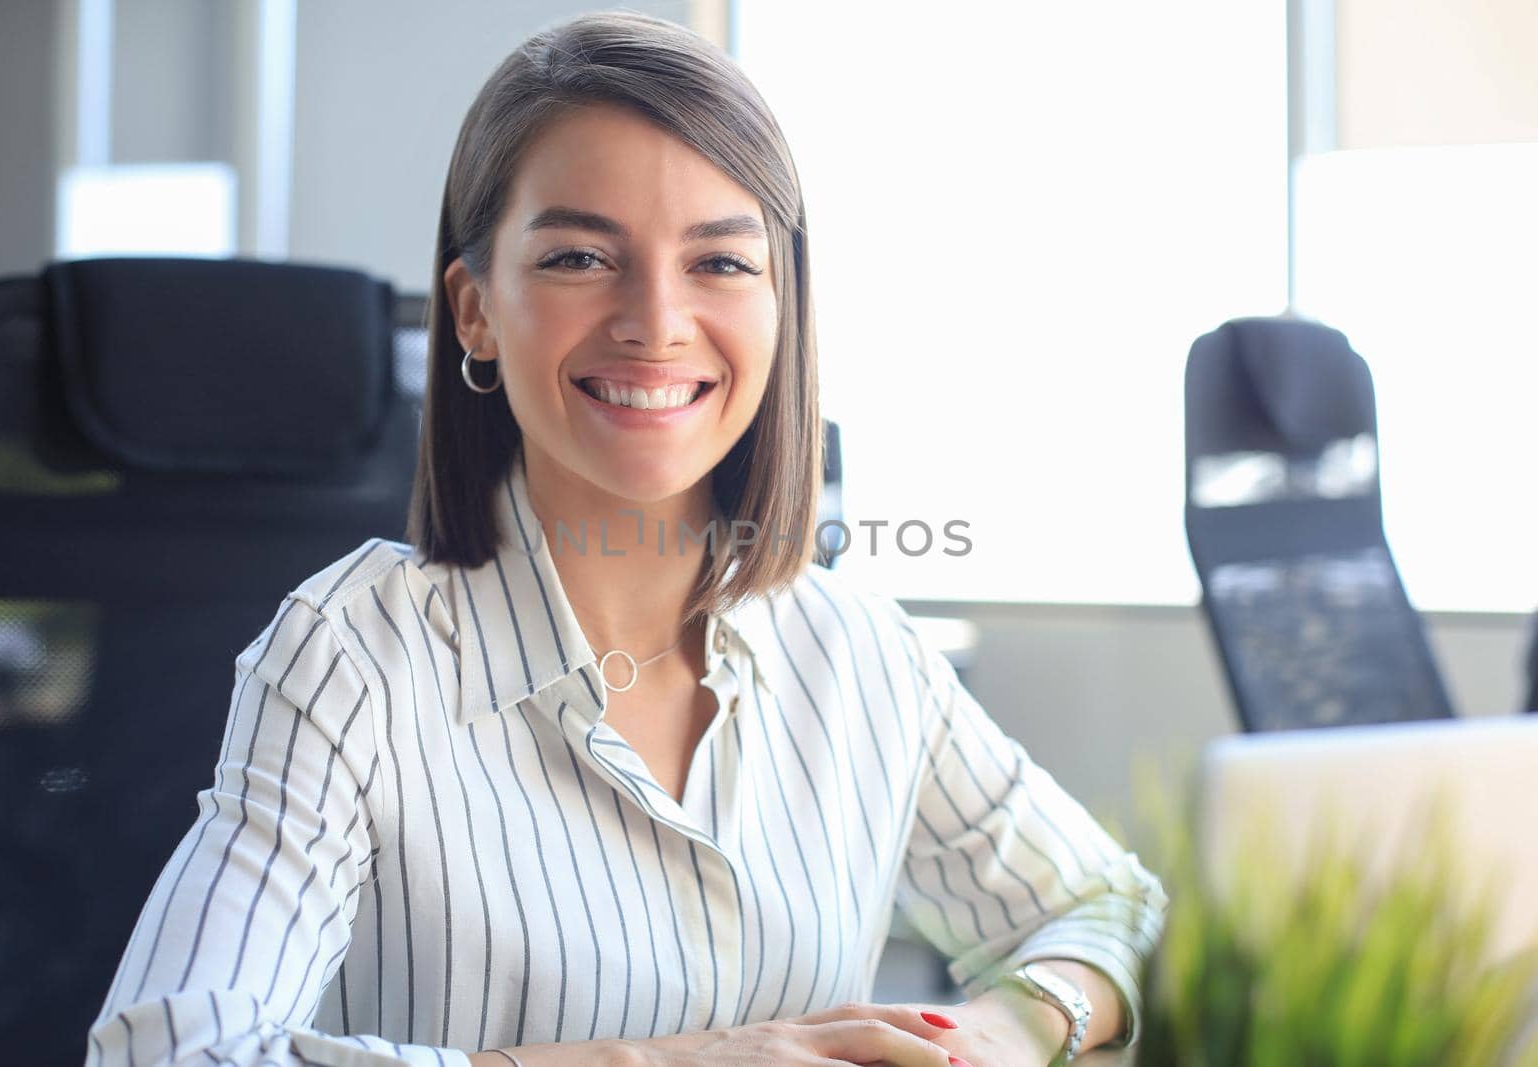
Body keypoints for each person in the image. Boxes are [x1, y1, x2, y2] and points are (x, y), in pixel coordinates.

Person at [86, 10, 1165, 1066]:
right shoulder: (356, 655)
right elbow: (169, 1049)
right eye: (577, 259)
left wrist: (1004, 1027)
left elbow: (1109, 906)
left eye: (721, 263)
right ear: (474, 309)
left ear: (782, 306)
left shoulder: (854, 649)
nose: (655, 321)